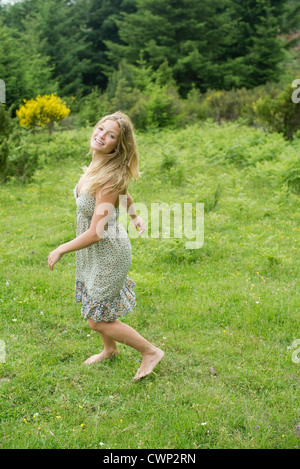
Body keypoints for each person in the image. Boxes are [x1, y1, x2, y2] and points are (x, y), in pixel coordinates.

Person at [48, 111, 164, 380]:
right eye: (101, 129)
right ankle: (110, 350)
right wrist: (135, 216)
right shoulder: (97, 167)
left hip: (109, 252)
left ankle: (151, 352)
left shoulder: (109, 177)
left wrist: (61, 248)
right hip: (95, 252)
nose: (101, 136)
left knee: (97, 318)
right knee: (96, 300)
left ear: (117, 146)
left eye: (111, 135)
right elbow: (126, 195)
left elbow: (96, 233)